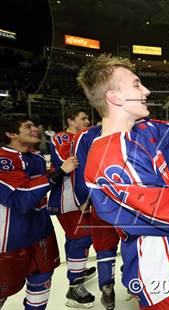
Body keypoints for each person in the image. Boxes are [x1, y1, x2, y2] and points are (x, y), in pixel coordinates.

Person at [77, 54, 169, 309]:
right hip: (163, 273)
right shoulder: (111, 160)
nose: (146, 91)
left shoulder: (145, 129)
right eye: (136, 85)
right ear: (115, 97)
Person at [0, 115, 78, 310]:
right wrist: (60, 172)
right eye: (28, 127)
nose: (35, 129)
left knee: (42, 281)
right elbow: (20, 199)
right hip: (10, 240)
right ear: (11, 134)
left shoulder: (36, 157)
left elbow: (44, 185)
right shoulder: (3, 159)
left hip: (41, 233)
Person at [48, 108, 96, 308]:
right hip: (67, 201)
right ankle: (74, 288)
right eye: (83, 118)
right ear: (70, 120)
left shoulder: (85, 137)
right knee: (81, 238)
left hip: (82, 199)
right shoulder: (61, 138)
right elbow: (68, 162)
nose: (87, 121)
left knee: (77, 237)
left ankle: (77, 269)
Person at [72, 124, 121, 310]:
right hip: (133, 200)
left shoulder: (87, 135)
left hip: (102, 201)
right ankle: (136, 282)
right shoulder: (137, 128)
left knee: (105, 246)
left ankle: (107, 286)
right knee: (135, 241)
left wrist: (83, 199)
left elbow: (80, 169)